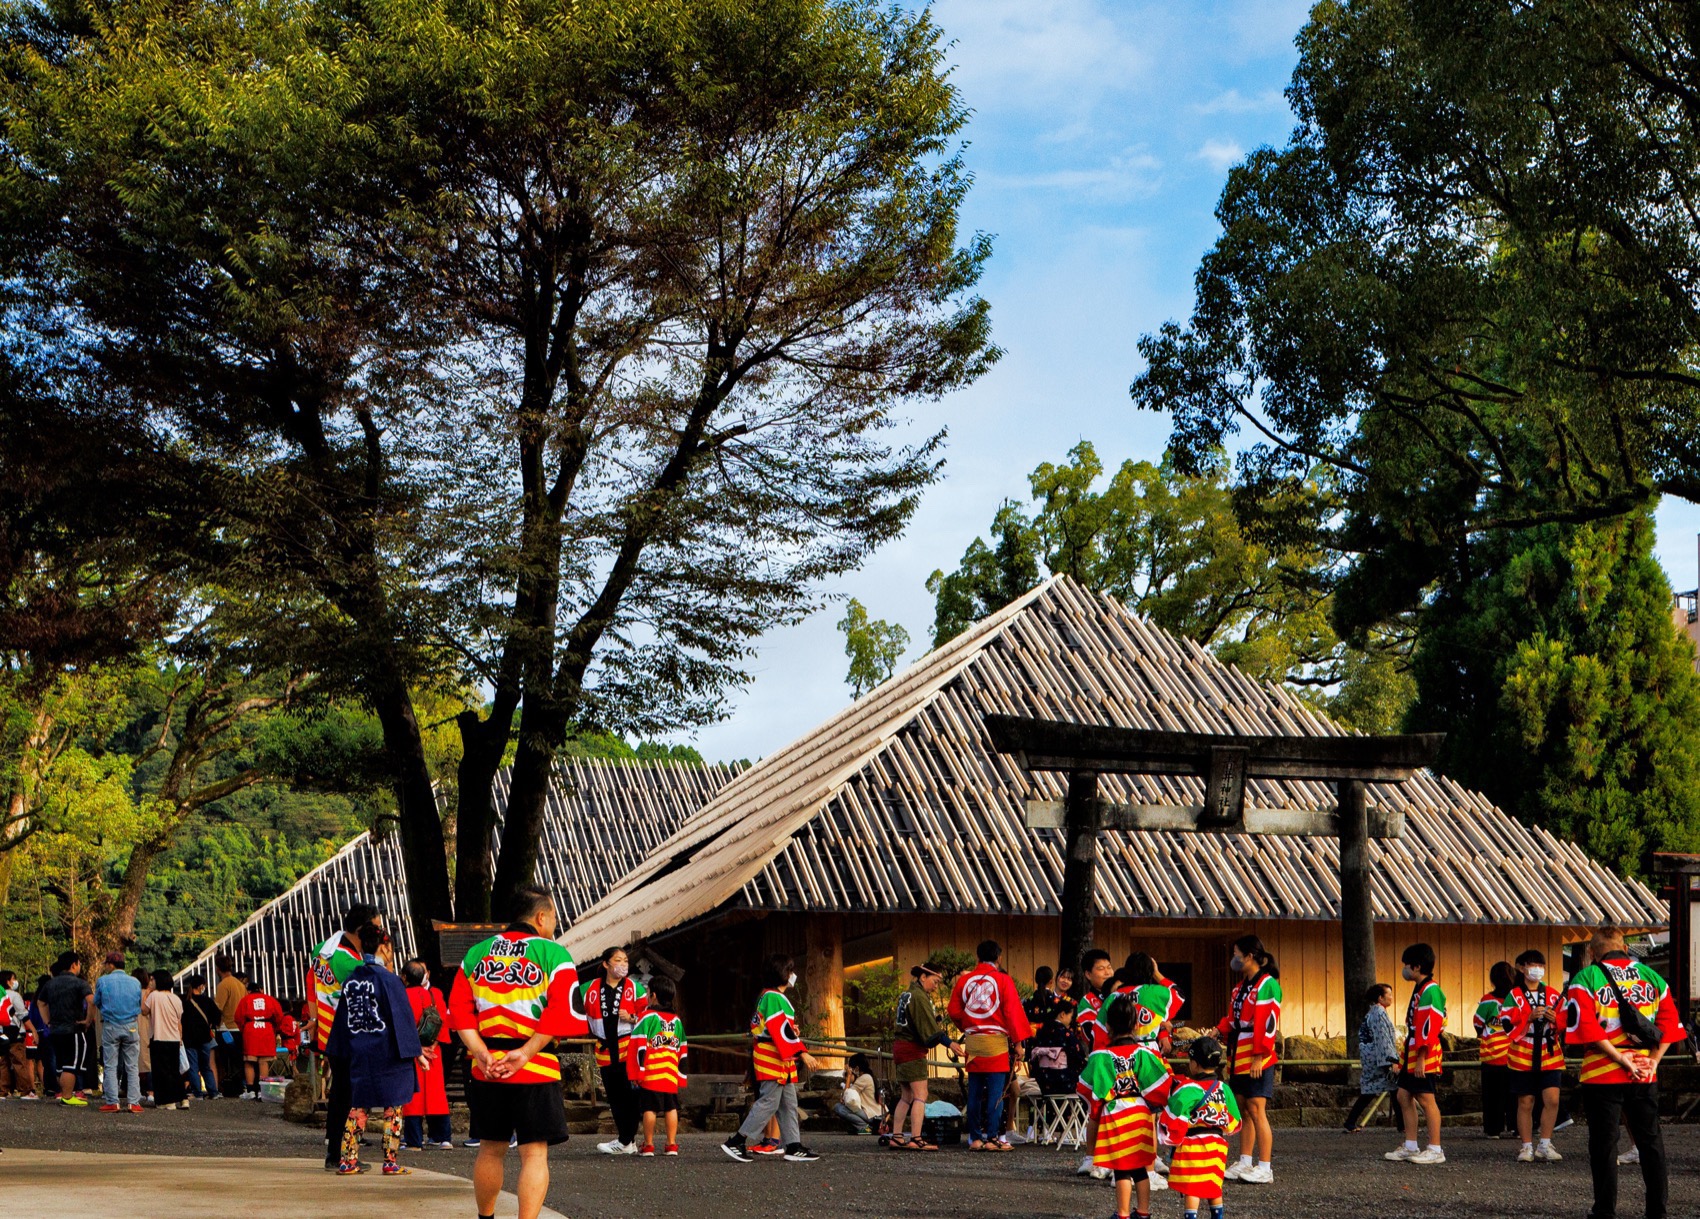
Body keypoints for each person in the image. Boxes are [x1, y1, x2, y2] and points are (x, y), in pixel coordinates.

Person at [449, 885, 588, 1219]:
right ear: (541, 917)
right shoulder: (554, 954)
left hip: (487, 1068)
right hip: (535, 1065)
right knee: (534, 1154)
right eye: (553, 915)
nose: (554, 922)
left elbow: (459, 1010)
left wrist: (481, 1052)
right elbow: (561, 1013)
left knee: (490, 1149)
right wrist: (524, 1053)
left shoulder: (476, 954)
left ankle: (486, 1217)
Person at [1565, 924, 1686, 1219]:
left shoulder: (1586, 978)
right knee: (1650, 1142)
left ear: (1592, 951)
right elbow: (1670, 1026)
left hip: (1602, 1074)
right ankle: (1657, 1210)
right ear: (1626, 947)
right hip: (1644, 1074)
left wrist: (1620, 1058)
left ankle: (1605, 1211)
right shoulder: (1652, 976)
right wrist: (1653, 1061)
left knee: (1605, 1145)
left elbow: (1588, 1029)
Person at [327, 924, 422, 1176]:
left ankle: (348, 1160)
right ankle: (390, 1161)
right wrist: (416, 1051)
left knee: (358, 1106)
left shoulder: (352, 980)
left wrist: (339, 1053)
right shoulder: (389, 980)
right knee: (394, 1106)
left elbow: (341, 1022)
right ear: (384, 947)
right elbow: (401, 1019)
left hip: (360, 1050)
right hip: (389, 1052)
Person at [1077, 994, 1173, 1219]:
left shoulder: (1100, 1056)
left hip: (1115, 1113)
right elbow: (1160, 1086)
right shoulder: (1144, 1053)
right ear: (1137, 1025)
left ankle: (1122, 1214)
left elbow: (1084, 1086)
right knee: (1141, 1167)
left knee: (1122, 1168)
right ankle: (1143, 1212)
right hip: (1140, 1112)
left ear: (1108, 1025)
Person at [721, 953, 819, 1163]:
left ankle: (793, 1145)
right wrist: (803, 1052)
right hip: (773, 1059)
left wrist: (792, 1033)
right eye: (791, 971)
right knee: (769, 1103)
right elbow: (779, 1029)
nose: (793, 975)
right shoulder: (774, 997)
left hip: (777, 1058)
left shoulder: (768, 996)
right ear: (784, 974)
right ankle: (737, 1140)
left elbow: (776, 1028)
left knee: (787, 1104)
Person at [311, 905, 383, 1170]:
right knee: (349, 1096)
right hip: (347, 1035)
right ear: (363, 929)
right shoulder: (349, 963)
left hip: (329, 1032)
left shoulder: (322, 948)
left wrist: (314, 1015)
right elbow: (375, 989)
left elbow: (312, 980)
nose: (379, 933)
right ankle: (342, 1154)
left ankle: (335, 1151)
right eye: (376, 928)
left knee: (340, 1093)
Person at [947, 939, 1032, 1154]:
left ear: (977, 957)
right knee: (995, 1094)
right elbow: (1013, 1013)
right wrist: (1019, 1044)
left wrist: (968, 1026)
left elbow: (954, 1010)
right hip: (995, 1044)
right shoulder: (1003, 980)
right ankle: (993, 1137)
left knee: (975, 1092)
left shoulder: (965, 981)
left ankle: (975, 1138)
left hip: (974, 1043)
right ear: (999, 958)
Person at [1217, 934, 1280, 1185]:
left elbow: (1268, 1022)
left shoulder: (1267, 984)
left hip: (1256, 1054)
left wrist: (1259, 1057)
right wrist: (1218, 1030)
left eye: (1236, 954)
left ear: (1250, 956)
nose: (1234, 959)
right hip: (1238, 1052)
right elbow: (1233, 1018)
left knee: (1256, 1108)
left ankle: (1265, 1166)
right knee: (1242, 1109)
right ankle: (1244, 1161)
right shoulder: (1241, 986)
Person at [1160, 1035, 1241, 1219]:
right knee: (1213, 1184)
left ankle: (1191, 1216)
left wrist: (1171, 1138)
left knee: (1192, 1187)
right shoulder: (1224, 1088)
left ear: (1194, 1064)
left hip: (1193, 1144)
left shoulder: (1188, 1089)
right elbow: (1235, 1121)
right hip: (1217, 1145)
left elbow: (1173, 1116)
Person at [1385, 941, 1447, 1166]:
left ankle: (1435, 1148)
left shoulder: (1431, 991)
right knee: (1403, 1095)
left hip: (1424, 1052)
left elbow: (1429, 1027)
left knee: (1426, 1098)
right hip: (1413, 1049)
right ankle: (1411, 1144)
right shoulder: (1423, 988)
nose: (1404, 969)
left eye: (1407, 965)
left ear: (1417, 967)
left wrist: (1421, 1057)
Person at [582, 945, 648, 1156]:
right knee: (614, 1096)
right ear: (606, 964)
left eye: (625, 961)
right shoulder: (589, 988)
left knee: (631, 1096)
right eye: (618, 960)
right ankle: (627, 1141)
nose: (623, 964)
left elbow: (648, 1018)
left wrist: (633, 1018)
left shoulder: (635, 988)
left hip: (628, 1047)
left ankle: (626, 1140)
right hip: (604, 1048)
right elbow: (575, 1010)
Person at [1503, 948, 1566, 1164]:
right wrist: (1527, 1017)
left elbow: (1566, 1021)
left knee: (1552, 1099)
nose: (1537, 969)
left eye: (1541, 965)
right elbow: (1505, 1023)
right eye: (1532, 965)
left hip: (1550, 1052)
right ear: (1521, 968)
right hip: (1523, 1052)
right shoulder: (1514, 995)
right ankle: (1526, 1146)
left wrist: (1555, 1019)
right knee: (1526, 1101)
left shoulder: (1554, 994)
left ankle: (1545, 1144)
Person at [889, 962, 959, 1151]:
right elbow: (929, 1030)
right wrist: (949, 1042)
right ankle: (916, 1138)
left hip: (900, 1048)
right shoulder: (919, 997)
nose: (936, 987)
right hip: (912, 1049)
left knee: (906, 1096)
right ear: (923, 977)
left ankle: (896, 1136)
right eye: (935, 981)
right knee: (921, 1095)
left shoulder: (906, 994)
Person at [627, 975, 688, 1155]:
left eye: (647, 992)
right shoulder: (677, 1021)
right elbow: (682, 1049)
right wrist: (681, 1075)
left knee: (649, 1108)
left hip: (651, 1072)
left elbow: (638, 1045)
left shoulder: (647, 1017)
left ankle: (649, 1144)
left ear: (653, 995)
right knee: (671, 1108)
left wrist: (636, 1073)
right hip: (669, 1073)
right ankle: (671, 1144)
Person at [400, 959, 453, 1149]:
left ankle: (414, 1139)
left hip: (411, 1052)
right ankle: (442, 1136)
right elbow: (443, 1022)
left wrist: (417, 1049)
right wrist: (433, 1045)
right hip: (434, 1051)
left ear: (404, 977)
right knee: (436, 1094)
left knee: (412, 1097)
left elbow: (401, 1028)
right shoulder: (434, 994)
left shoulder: (402, 996)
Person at [92, 951, 142, 1115]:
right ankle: (134, 1102)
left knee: (111, 1065)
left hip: (111, 1026)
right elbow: (139, 1003)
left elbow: (97, 1002)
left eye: (106, 964)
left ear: (111, 965)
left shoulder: (103, 981)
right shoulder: (135, 982)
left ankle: (112, 1101)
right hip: (131, 1026)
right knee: (132, 1066)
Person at [39, 952, 92, 1106]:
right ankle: (67, 1097)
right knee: (72, 1065)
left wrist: (47, 1021)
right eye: (79, 963)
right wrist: (87, 1020)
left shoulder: (50, 983)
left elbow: (41, 1003)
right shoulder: (80, 983)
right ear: (73, 964)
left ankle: (62, 1094)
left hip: (55, 1030)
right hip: (73, 1029)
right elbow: (91, 1001)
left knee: (61, 1066)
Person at [1344, 983, 1398, 1132]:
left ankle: (1350, 1121)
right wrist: (1392, 1060)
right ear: (1380, 998)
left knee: (1373, 1090)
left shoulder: (1375, 1013)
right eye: (1389, 995)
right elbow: (1383, 1038)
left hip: (1372, 1055)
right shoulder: (1378, 1014)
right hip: (1378, 1056)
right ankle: (1403, 1125)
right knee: (1393, 1088)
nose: (1392, 998)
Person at [1474, 961, 1516, 1139]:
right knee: (1514, 1094)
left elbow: (1477, 1023)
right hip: (1514, 1055)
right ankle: (1517, 1127)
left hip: (1491, 1055)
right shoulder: (1516, 999)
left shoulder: (1488, 1000)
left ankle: (1493, 1129)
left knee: (1492, 1095)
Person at [146, 971, 187, 1110]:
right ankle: (183, 1099)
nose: (150, 982)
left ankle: (167, 1101)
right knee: (174, 1070)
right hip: (174, 1039)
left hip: (159, 1038)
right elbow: (179, 1021)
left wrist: (147, 992)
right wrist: (180, 1038)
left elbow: (144, 1010)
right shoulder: (176, 998)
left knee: (161, 1071)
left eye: (152, 979)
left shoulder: (154, 996)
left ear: (158, 981)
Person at [237, 980, 284, 1099]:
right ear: (260, 989)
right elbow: (279, 1016)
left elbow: (238, 1017)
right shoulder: (270, 999)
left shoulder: (245, 1000)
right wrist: (274, 1028)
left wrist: (244, 1028)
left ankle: (251, 1091)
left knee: (249, 1061)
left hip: (250, 1029)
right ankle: (263, 1091)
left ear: (249, 991)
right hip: (266, 1029)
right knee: (263, 1061)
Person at [180, 977, 221, 1100]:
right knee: (206, 1066)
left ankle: (197, 1093)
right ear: (201, 986)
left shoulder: (184, 1001)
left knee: (193, 1066)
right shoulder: (207, 1001)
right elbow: (217, 1017)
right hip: (205, 1038)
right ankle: (213, 1092)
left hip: (189, 1038)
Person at [213, 954, 247, 1099]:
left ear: (217, 968)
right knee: (238, 1060)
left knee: (224, 1061)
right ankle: (240, 1086)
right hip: (240, 1028)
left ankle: (226, 1087)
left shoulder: (223, 985)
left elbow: (217, 1008)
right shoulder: (240, 984)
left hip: (226, 1028)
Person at [1074, 948, 1116, 1049]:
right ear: (1088, 974)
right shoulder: (1087, 1001)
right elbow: (1090, 1035)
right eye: (1101, 969)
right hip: (1104, 1055)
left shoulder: (1123, 994)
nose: (1107, 973)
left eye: (1109, 967)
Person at [834, 1051, 882, 1135]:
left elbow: (846, 1095)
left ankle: (864, 1127)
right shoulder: (868, 1076)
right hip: (873, 1115)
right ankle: (860, 1126)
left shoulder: (864, 1078)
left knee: (838, 1107)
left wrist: (849, 1076)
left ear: (856, 1068)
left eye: (851, 1068)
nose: (851, 1070)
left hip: (871, 1115)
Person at [0, 970, 29, 1098]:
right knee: (19, 1062)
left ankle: (3, 1091)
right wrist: (32, 1030)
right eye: (13, 979)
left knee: (3, 1063)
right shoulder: (14, 995)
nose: (15, 981)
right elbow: (23, 1015)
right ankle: (25, 1091)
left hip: (1, 1032)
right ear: (8, 981)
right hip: (15, 1032)